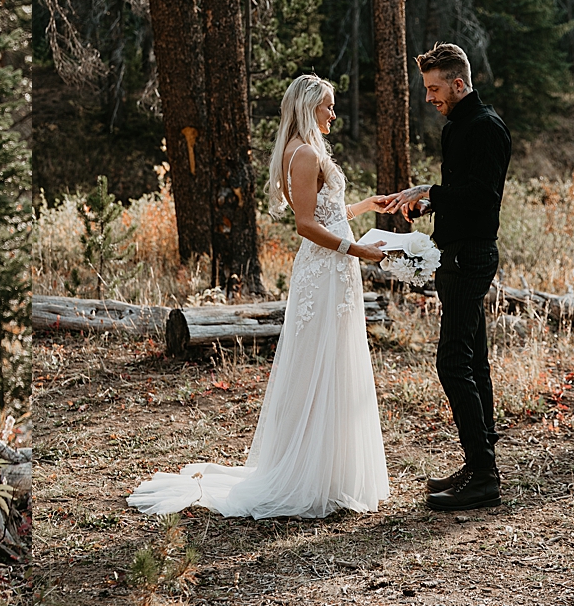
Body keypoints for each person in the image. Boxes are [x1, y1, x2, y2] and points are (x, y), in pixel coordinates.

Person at [126, 74, 395, 519]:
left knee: (331, 360)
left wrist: (367, 207)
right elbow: (306, 226)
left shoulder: (304, 150)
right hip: (327, 270)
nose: (333, 113)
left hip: (331, 269)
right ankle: (311, 473)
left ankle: (329, 469)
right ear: (309, 108)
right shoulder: (305, 153)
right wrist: (359, 249)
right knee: (320, 362)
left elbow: (326, 213)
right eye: (327, 106)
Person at [388, 42, 511, 511]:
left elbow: (482, 198)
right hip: (456, 253)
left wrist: (433, 191)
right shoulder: (460, 127)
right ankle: (480, 466)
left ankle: (484, 476)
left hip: (469, 258)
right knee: (474, 362)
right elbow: (462, 192)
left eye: (435, 88)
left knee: (453, 363)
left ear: (459, 84)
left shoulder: (484, 128)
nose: (429, 97)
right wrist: (430, 200)